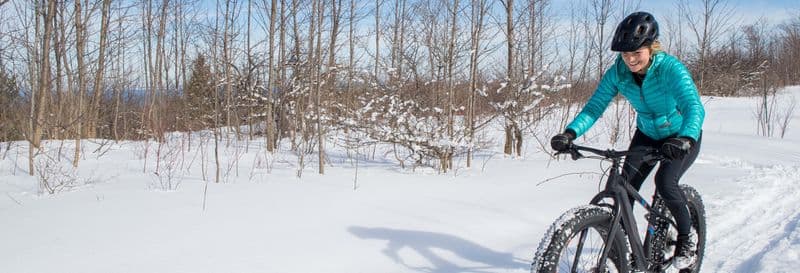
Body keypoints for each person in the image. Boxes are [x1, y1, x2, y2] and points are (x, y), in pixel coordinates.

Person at [550, 11, 705, 269]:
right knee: (623, 188)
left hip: (681, 135)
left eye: (637, 53)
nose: (631, 60)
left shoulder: (670, 69)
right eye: (625, 54)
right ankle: (620, 257)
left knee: (666, 184)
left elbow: (693, 106)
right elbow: (595, 106)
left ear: (651, 47)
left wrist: (686, 137)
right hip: (647, 134)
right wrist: (570, 133)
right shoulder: (618, 72)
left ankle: (687, 239)